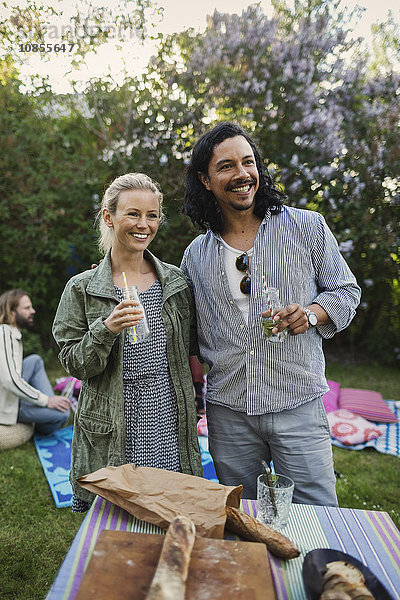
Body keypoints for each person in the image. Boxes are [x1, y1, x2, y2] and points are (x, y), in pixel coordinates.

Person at [180, 122, 361, 504]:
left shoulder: (306, 227)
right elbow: (189, 333)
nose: (242, 174)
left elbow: (346, 292)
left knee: (316, 513)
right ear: (206, 179)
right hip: (229, 412)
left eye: (248, 163)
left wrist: (312, 313)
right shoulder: (196, 254)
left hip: (297, 400)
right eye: (226, 166)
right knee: (241, 515)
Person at [52, 172, 202, 512]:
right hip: (112, 420)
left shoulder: (175, 282)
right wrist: (106, 328)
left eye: (152, 215)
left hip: (166, 414)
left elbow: (192, 349)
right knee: (115, 525)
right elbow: (74, 364)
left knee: (168, 514)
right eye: (132, 213)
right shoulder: (82, 288)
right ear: (109, 216)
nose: (143, 224)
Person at [0, 289, 70, 435]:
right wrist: (46, 401)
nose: (33, 311)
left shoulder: (13, 335)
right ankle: (39, 418)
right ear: (12, 312)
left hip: (13, 397)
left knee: (35, 360)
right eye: (27, 308)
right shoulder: (4, 332)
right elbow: (10, 380)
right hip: (6, 407)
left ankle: (42, 408)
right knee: (62, 415)